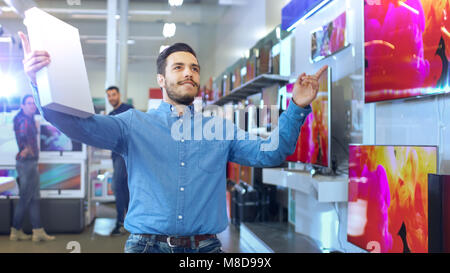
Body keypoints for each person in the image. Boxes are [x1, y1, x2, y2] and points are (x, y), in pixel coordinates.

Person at [19, 31, 327, 253]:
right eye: (178, 67)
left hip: (205, 248)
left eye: (193, 68)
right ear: (161, 80)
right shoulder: (132, 124)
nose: (188, 73)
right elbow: (77, 126)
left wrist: (297, 107)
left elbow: (271, 152)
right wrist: (38, 83)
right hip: (146, 246)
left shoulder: (219, 129)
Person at [10, 94, 55, 242]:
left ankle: (37, 231)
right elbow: (23, 133)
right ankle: (15, 230)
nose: (32, 106)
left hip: (28, 163)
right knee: (26, 198)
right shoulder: (24, 120)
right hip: (27, 163)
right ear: (22, 106)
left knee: (34, 197)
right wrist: (26, 148)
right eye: (29, 104)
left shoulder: (24, 118)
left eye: (33, 104)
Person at [106, 86, 134, 236]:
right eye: (109, 96)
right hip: (116, 155)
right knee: (123, 188)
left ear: (119, 94)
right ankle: (128, 222)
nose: (111, 98)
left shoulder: (128, 109)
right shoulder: (110, 115)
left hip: (125, 154)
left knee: (117, 187)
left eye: (113, 94)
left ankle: (120, 222)